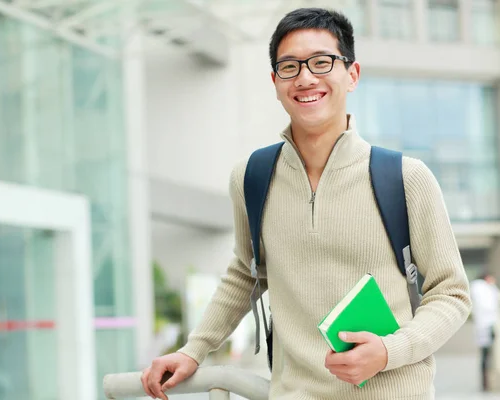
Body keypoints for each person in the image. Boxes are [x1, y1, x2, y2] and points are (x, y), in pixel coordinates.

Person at [141, 7, 472, 400]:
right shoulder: (251, 177)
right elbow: (246, 274)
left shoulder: (405, 177)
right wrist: (192, 350)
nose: (305, 77)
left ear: (352, 74)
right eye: (290, 67)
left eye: (322, 62)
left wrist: (388, 351)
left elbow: (451, 294)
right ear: (275, 81)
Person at [470, 273, 499, 391]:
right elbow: (489, 305)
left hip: (486, 325)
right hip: (486, 326)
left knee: (487, 355)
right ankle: (486, 383)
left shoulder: (485, 289)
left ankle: (487, 383)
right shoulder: (480, 288)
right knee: (487, 355)